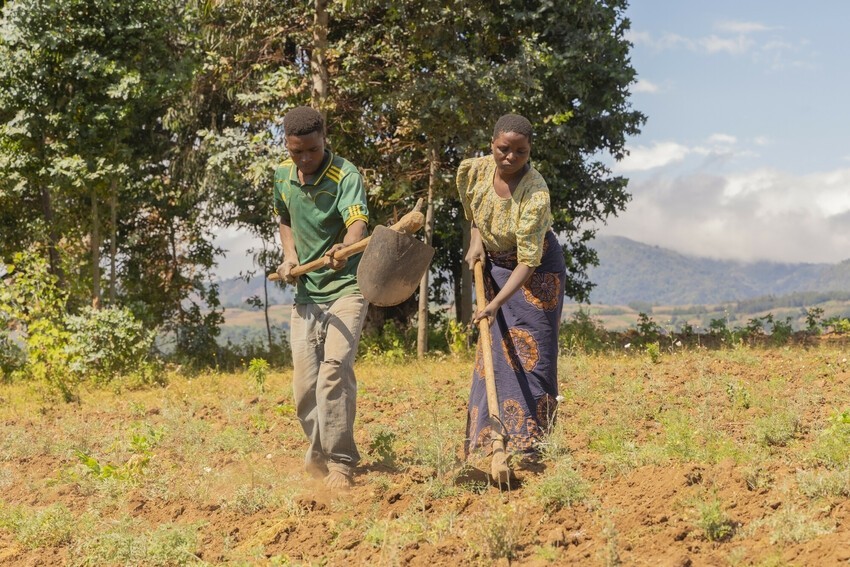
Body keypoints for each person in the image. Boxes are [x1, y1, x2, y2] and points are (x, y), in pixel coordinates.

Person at [456, 113, 566, 467]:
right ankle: (486, 446)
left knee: (530, 354)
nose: (510, 158)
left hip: (534, 275)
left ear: (529, 150)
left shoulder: (536, 193)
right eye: (504, 149)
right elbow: (473, 210)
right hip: (493, 265)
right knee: (492, 358)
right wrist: (477, 241)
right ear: (492, 145)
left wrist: (494, 304)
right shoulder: (473, 171)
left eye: (520, 151)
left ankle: (530, 449)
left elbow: (529, 261)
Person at [273, 106, 370, 490]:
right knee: (304, 387)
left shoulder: (345, 174)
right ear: (288, 146)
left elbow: (357, 222)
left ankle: (342, 463)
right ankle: (320, 454)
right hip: (306, 293)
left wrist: (342, 250)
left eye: (312, 150)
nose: (305, 159)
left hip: (347, 287)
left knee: (333, 372)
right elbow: (283, 218)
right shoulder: (282, 175)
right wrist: (290, 257)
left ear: (324, 139)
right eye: (297, 152)